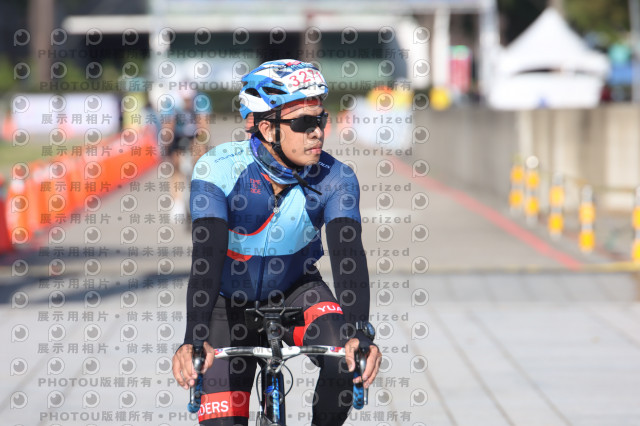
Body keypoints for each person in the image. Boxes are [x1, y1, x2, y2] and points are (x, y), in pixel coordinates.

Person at [172, 59, 381, 426]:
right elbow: (206, 260)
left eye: (321, 120)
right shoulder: (218, 170)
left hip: (297, 290)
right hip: (226, 305)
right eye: (303, 123)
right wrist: (194, 337)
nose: (317, 132)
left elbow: (348, 257)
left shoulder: (336, 178)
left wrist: (359, 333)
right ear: (267, 128)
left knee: (345, 360)